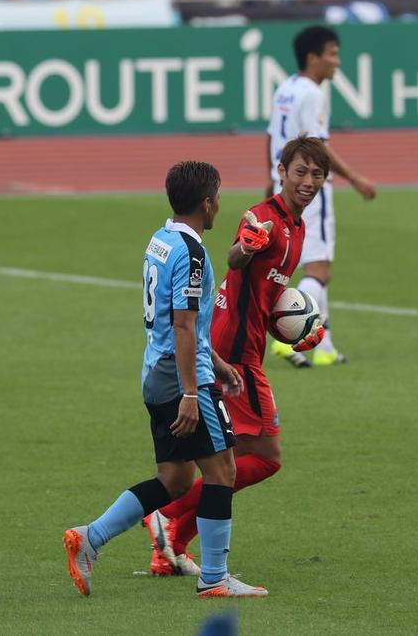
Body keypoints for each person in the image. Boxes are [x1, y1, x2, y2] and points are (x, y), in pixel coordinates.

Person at [64, 161, 268, 599]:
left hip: (156, 374)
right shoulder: (193, 253)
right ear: (207, 203)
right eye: (218, 196)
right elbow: (182, 324)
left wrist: (216, 362)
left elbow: (177, 323)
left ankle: (90, 538)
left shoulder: (161, 239)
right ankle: (215, 578)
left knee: (174, 480)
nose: (220, 204)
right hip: (182, 380)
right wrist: (193, 392)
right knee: (223, 470)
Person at [144, 137, 329, 578]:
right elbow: (235, 259)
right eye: (299, 171)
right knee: (265, 456)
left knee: (229, 459)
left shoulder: (298, 227)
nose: (308, 181)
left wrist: (294, 329)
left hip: (244, 344)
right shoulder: (263, 218)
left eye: (317, 174)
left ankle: (171, 544)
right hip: (235, 351)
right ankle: (169, 517)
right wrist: (245, 247)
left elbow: (263, 294)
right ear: (281, 172)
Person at [265, 25, 377, 368]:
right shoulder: (313, 94)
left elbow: (270, 136)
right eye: (332, 54)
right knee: (320, 270)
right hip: (311, 188)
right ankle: (285, 336)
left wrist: (271, 179)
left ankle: (324, 346)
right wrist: (355, 179)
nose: (337, 62)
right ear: (313, 58)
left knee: (304, 264)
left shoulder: (285, 88)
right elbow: (317, 147)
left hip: (284, 184)